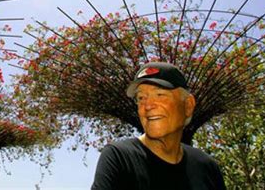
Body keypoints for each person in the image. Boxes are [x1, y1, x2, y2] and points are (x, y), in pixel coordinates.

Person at [91, 62, 226, 190]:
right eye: (141, 98)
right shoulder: (120, 158)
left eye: (160, 95)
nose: (148, 106)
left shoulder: (206, 166)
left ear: (188, 105)